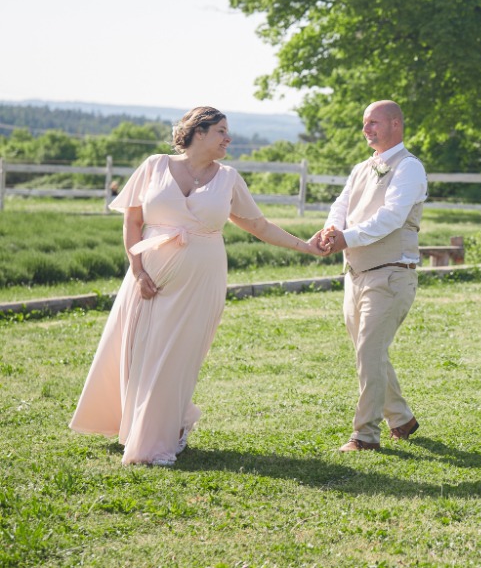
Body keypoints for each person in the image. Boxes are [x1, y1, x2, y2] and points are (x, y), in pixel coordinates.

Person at [69, 106, 327, 466]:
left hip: (200, 283)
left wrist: (307, 246)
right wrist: (138, 270)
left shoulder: (229, 178)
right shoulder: (154, 166)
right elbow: (133, 221)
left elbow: (260, 226)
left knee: (176, 357)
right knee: (137, 350)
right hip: (148, 278)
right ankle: (151, 425)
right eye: (221, 130)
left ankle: (155, 440)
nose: (228, 138)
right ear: (198, 132)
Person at [319, 100, 427, 452]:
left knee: (368, 351)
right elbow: (342, 204)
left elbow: (392, 217)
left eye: (373, 122)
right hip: (356, 273)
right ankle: (401, 417)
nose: (366, 129)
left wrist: (345, 238)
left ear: (395, 124)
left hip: (392, 273)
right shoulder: (362, 168)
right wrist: (331, 229)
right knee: (370, 352)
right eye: (364, 123)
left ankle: (365, 436)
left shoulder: (409, 168)